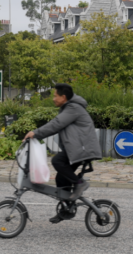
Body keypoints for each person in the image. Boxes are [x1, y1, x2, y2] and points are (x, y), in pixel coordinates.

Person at [22, 83, 101, 223]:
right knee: (61, 179)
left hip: (83, 150)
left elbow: (56, 124)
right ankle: (66, 209)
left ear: (63, 97)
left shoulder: (73, 108)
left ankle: (80, 183)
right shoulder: (69, 107)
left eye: (55, 96)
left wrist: (35, 133)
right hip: (77, 149)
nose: (53, 99)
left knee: (57, 161)